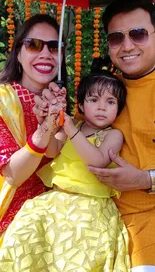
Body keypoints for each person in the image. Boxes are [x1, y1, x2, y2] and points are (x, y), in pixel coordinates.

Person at [0, 72, 130, 272]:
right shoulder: (72, 126)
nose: (102, 107)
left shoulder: (112, 135)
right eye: (94, 100)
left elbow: (97, 160)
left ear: (119, 109)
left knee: (79, 256)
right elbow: (52, 150)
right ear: (80, 105)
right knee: (26, 227)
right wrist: (48, 122)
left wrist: (71, 130)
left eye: (111, 102)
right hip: (57, 199)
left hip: (91, 206)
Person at [88, 0, 155, 271]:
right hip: (97, 225)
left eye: (138, 34)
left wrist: (143, 179)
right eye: (116, 38)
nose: (127, 46)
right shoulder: (103, 92)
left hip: (146, 234)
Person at [0, 14, 67, 242]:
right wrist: (44, 129)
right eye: (34, 45)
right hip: (12, 216)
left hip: (56, 211)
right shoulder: (2, 101)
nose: (45, 54)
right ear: (18, 53)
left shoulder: (63, 105)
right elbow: (13, 176)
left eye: (54, 47)